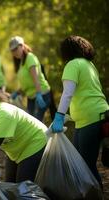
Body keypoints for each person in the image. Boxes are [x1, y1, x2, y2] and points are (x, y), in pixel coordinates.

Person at [51, 35, 109, 187]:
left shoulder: (73, 64)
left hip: (90, 119)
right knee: (81, 162)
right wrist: (70, 115)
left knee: (85, 166)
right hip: (98, 116)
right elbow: (87, 91)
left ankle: (97, 195)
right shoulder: (89, 64)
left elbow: (68, 93)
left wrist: (59, 115)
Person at [9, 36, 51, 121]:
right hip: (31, 97)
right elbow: (27, 83)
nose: (14, 52)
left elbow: (36, 79)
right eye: (12, 50)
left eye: (16, 48)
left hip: (41, 94)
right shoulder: (21, 63)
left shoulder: (30, 58)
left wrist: (39, 94)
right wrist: (17, 93)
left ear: (22, 46)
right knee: (31, 122)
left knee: (37, 123)